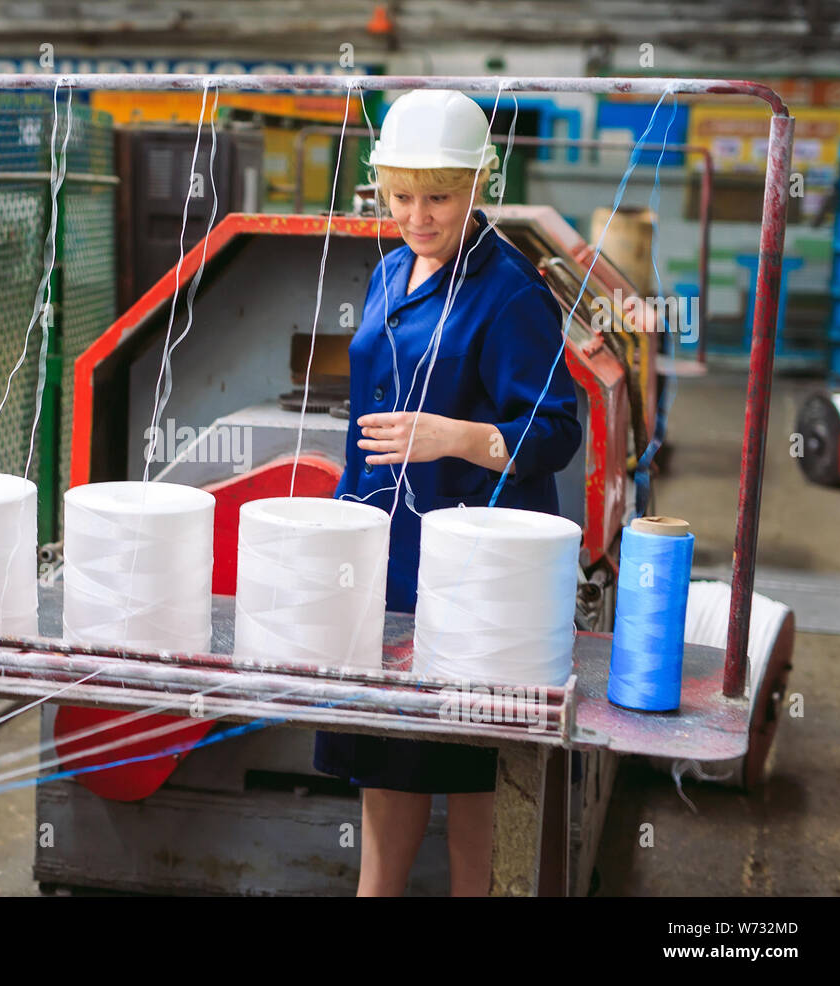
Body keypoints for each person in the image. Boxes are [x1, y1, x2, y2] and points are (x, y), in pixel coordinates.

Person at [312, 90, 583, 897]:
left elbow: (557, 430)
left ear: (478, 187)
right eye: (401, 196)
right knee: (387, 760)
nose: (418, 215)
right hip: (385, 558)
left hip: (474, 576)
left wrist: (456, 435)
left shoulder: (511, 293)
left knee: (473, 774)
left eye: (439, 196)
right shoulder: (392, 270)